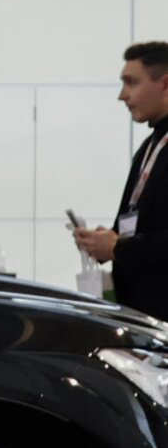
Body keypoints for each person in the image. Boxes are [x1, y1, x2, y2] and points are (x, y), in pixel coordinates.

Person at [74, 42, 168, 317]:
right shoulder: (152, 144)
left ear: (164, 83)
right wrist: (108, 241)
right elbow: (142, 225)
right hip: (141, 312)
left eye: (131, 83)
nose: (122, 96)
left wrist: (119, 248)